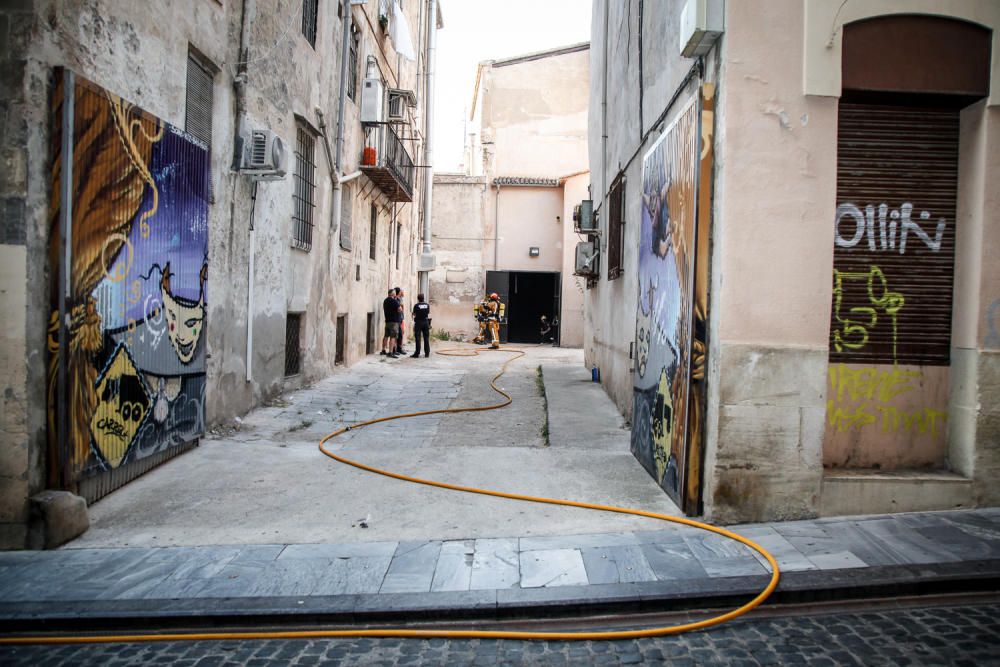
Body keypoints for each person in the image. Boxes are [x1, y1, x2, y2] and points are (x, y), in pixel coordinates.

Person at [381, 288, 401, 358]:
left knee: (386, 336)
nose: (395, 293)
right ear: (392, 293)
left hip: (387, 321)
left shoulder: (385, 301)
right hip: (394, 321)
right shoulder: (394, 301)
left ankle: (383, 350)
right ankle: (390, 352)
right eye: (394, 292)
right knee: (393, 337)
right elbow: (400, 309)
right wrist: (399, 311)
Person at [411, 293, 431, 358]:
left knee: (418, 338)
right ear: (423, 298)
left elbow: (414, 314)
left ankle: (417, 353)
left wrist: (414, 314)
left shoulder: (416, 305)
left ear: (418, 299)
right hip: (425, 322)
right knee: (426, 338)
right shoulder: (427, 305)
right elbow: (428, 312)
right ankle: (427, 353)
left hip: (418, 322)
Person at [394, 287, 407, 355]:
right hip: (398, 319)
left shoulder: (400, 299)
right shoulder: (396, 299)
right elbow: (400, 309)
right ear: (399, 292)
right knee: (398, 334)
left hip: (400, 318)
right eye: (402, 291)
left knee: (400, 334)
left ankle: (399, 348)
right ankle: (397, 349)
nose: (403, 292)